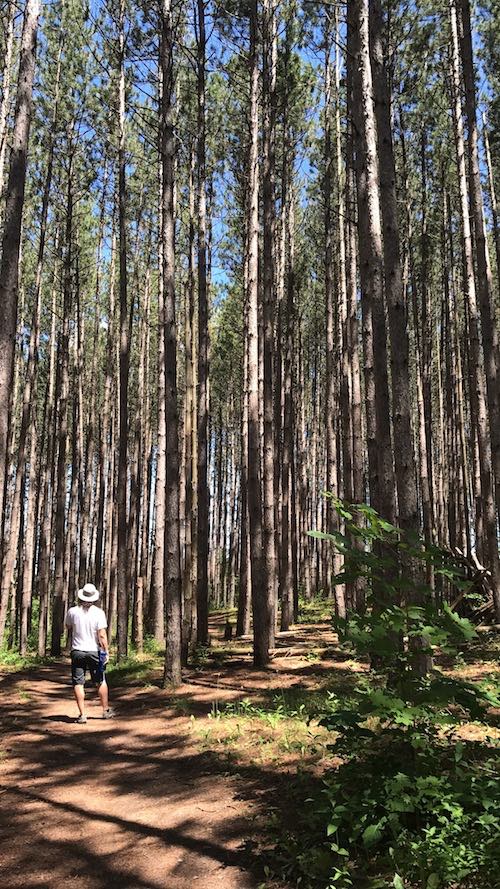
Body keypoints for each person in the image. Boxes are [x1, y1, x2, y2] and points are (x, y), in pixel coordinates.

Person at [65, 582, 114, 724]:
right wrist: (106, 651)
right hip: (94, 651)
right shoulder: (99, 613)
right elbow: (102, 635)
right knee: (100, 680)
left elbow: (68, 626)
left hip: (77, 651)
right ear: (94, 598)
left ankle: (82, 714)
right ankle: (105, 711)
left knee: (78, 682)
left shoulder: (72, 611)